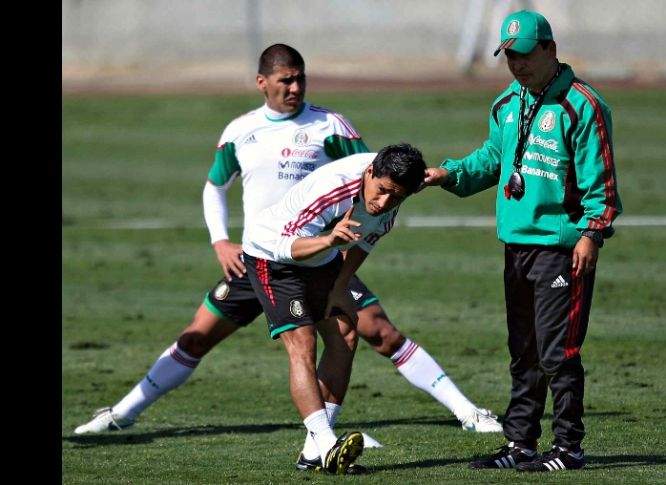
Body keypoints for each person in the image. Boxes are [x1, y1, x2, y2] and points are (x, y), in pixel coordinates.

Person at [73, 44, 501, 462]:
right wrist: (221, 240)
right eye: (285, 79)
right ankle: (121, 414)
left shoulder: (332, 127)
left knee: (370, 332)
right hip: (266, 252)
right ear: (262, 83)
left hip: (322, 250)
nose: (295, 87)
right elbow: (215, 188)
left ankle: (462, 412)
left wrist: (412, 188)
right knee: (201, 335)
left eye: (301, 78)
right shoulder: (241, 131)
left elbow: (378, 183)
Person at [424, 10, 622, 473]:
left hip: (561, 247)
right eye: (509, 55)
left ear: (550, 49)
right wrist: (449, 174)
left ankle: (568, 448)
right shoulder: (507, 103)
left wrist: (591, 235)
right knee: (524, 352)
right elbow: (494, 159)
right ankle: (521, 444)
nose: (517, 64)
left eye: (525, 54)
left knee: (558, 352)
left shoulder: (582, 105)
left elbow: (602, 184)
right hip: (516, 244)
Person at [242, 143, 428, 474]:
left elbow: (365, 241)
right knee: (303, 342)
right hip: (270, 253)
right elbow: (286, 247)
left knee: (345, 334)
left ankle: (314, 453)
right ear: (370, 172)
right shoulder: (331, 190)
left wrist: (339, 288)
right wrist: (330, 242)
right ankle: (328, 444)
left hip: (321, 256)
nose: (384, 202)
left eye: (396, 197)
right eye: (382, 190)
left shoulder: (392, 196)